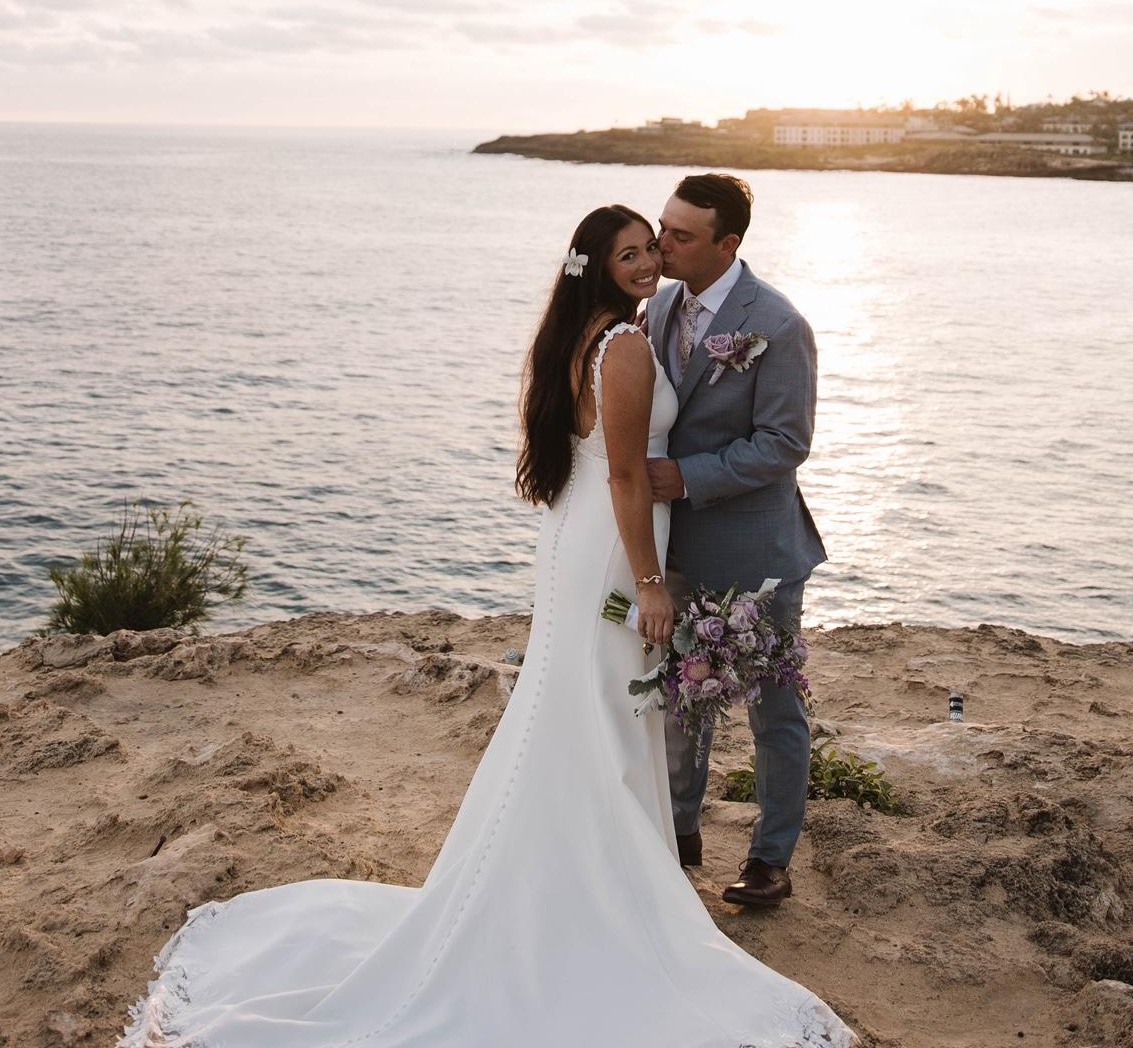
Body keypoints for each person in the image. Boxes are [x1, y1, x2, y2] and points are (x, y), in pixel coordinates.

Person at [117, 203, 854, 1048]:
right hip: (617, 550)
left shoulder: (595, 334)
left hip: (587, 539)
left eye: (657, 245)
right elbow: (622, 473)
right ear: (598, 266)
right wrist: (649, 582)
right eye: (633, 252)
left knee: (590, 706)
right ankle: (602, 891)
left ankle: (600, 870)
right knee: (607, 707)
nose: (651, 260)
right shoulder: (621, 346)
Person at [645, 174, 826, 909]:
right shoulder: (659, 306)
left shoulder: (778, 325)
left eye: (681, 236)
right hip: (673, 547)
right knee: (679, 700)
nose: (662, 244)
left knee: (772, 710)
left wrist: (682, 478)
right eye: (663, 227)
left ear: (728, 245)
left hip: (756, 556)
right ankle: (677, 837)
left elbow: (786, 443)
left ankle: (770, 860)